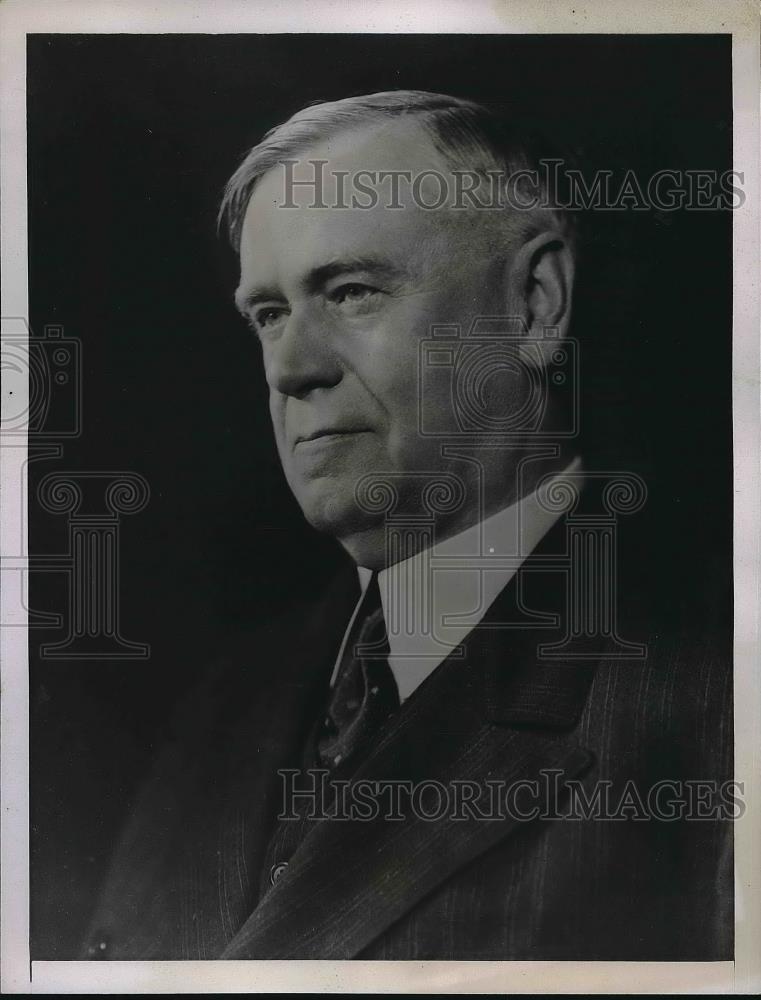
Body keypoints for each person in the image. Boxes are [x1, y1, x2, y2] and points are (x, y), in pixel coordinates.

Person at [81, 91, 732, 960]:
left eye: (350, 292)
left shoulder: (717, 700)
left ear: (533, 305)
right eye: (267, 316)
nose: (289, 368)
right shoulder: (220, 713)